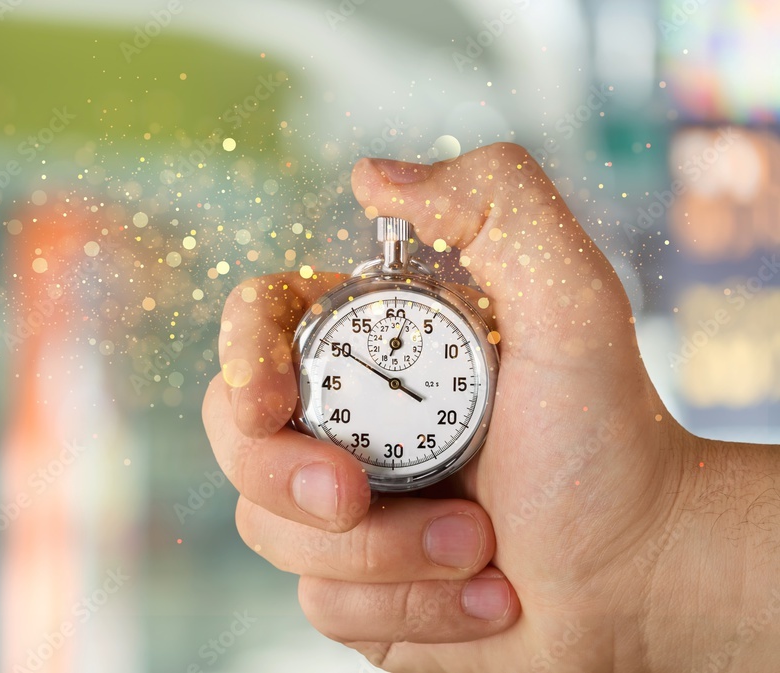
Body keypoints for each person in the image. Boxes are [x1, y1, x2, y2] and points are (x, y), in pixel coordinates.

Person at [202, 145, 780, 672]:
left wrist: (647, 557)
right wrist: (635, 583)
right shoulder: (340, 334)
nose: (398, 386)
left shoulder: (477, 341)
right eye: (378, 374)